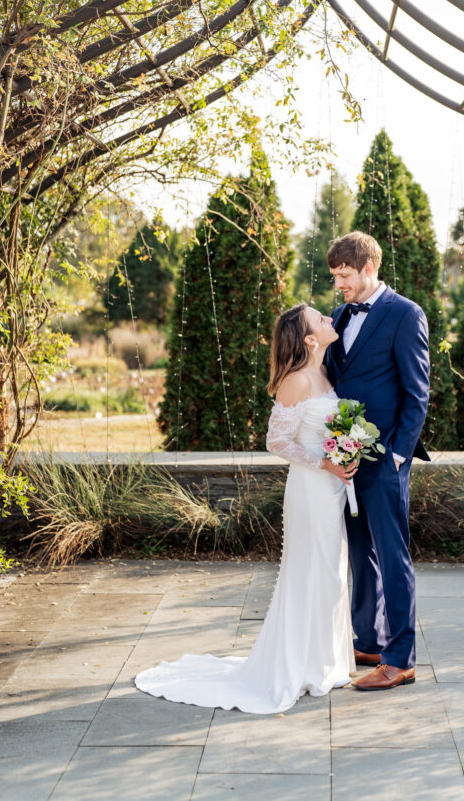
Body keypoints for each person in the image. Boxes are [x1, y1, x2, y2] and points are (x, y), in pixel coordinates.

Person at [134, 304, 357, 713]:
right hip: (309, 490)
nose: (330, 320)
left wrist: (345, 453)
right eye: (320, 320)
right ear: (309, 339)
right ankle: (300, 667)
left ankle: (325, 662)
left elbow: (326, 430)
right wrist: (325, 462)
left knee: (331, 571)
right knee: (310, 569)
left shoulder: (325, 372)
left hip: (332, 489)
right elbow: (277, 442)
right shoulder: (296, 381)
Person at [325, 231, 430, 691]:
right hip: (345, 459)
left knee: (392, 556)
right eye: (334, 277)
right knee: (359, 553)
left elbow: (417, 393)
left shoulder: (405, 314)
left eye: (344, 276)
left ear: (368, 269)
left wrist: (397, 457)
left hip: (385, 459)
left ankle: (400, 658)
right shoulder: (338, 315)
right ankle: (367, 641)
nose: (339, 285)